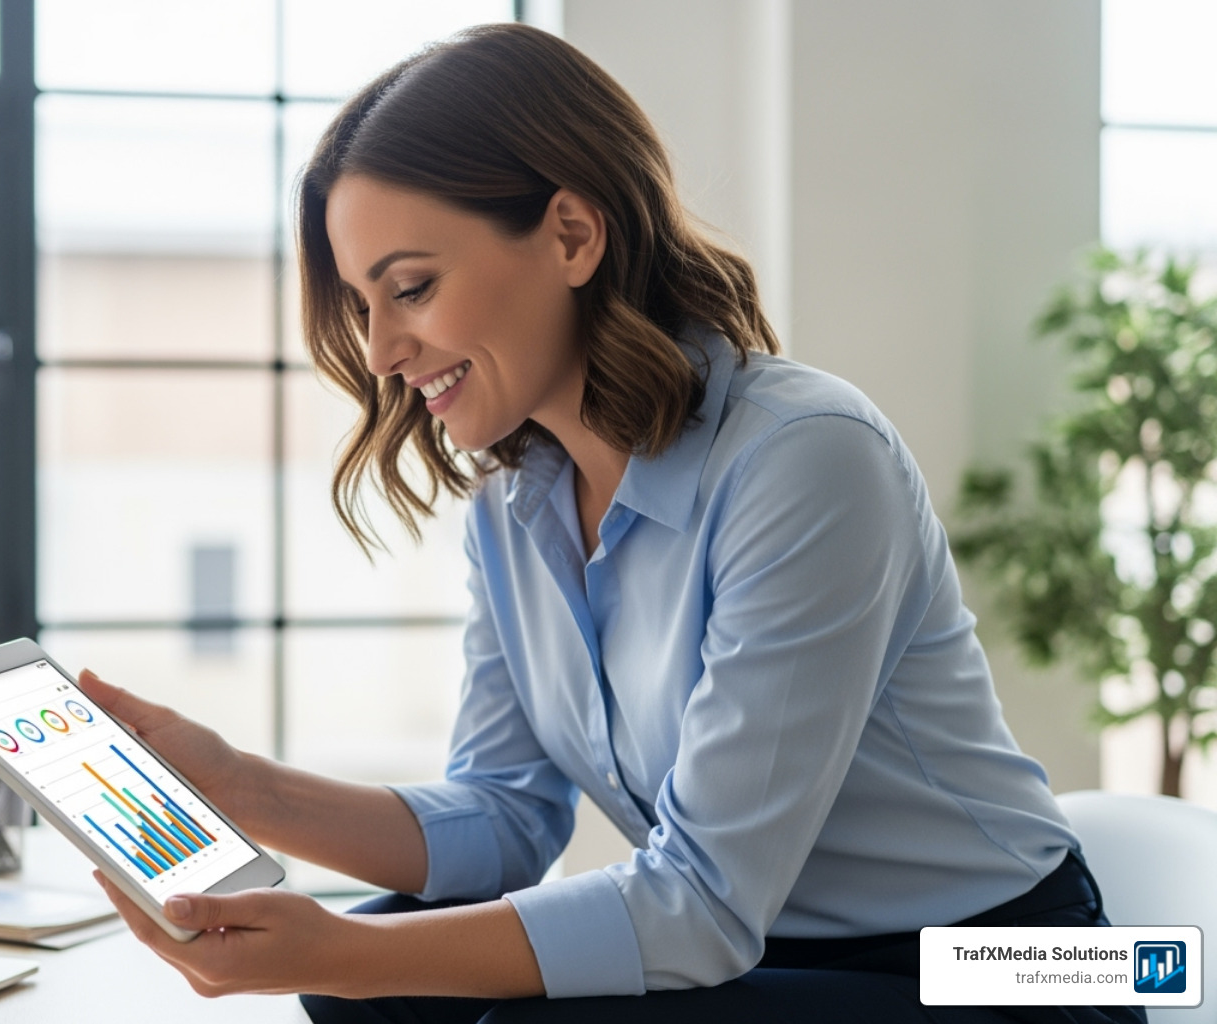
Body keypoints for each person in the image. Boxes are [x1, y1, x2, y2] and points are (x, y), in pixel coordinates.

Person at [77, 23, 1146, 1024]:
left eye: (411, 288)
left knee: (417, 983)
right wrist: (236, 785)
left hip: (1000, 962)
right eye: (364, 305)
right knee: (366, 994)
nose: (383, 352)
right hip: (761, 950)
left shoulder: (807, 457)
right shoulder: (514, 505)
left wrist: (340, 950)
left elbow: (699, 906)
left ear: (573, 234)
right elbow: (505, 820)